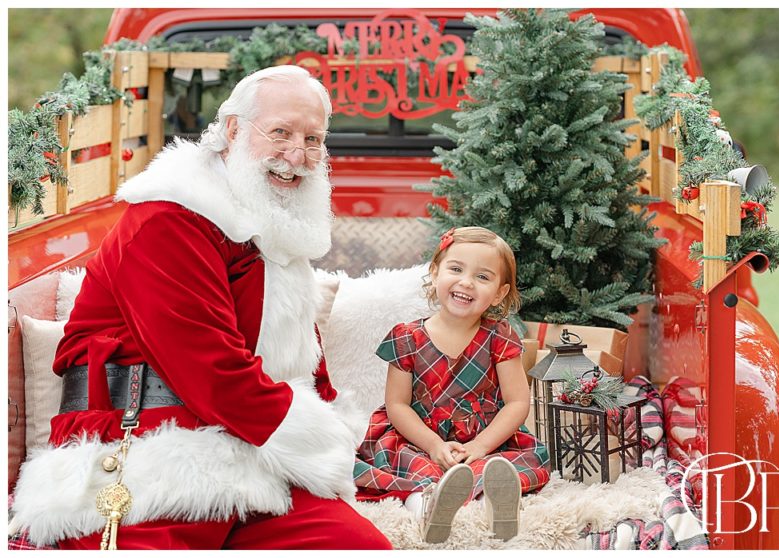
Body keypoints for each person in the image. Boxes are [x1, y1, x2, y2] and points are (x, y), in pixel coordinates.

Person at [8, 65, 391, 550]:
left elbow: (304, 365)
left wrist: (338, 439)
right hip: (147, 454)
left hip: (258, 456)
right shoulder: (167, 219)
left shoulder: (274, 227)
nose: (298, 155)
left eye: (313, 139)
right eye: (281, 133)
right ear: (232, 129)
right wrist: (322, 445)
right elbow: (211, 370)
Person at [354, 226, 550, 544]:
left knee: (504, 464)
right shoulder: (407, 337)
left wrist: (481, 446)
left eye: (483, 277)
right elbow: (397, 405)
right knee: (414, 464)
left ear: (499, 293)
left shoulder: (500, 337)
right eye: (456, 269)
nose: (466, 282)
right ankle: (427, 508)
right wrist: (433, 445)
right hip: (419, 436)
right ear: (435, 273)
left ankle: (494, 505)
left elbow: (517, 402)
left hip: (483, 438)